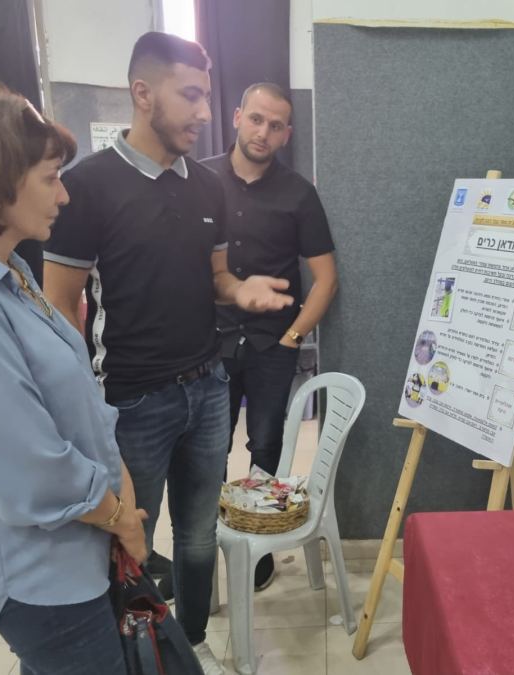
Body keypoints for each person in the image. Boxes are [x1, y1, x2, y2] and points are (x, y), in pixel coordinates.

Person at [43, 34, 291, 675]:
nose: (204, 112)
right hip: (130, 402)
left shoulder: (207, 187)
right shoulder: (86, 187)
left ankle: (192, 645)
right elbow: (58, 307)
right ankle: (128, 657)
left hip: (208, 389)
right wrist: (74, 408)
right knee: (126, 539)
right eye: (190, 95)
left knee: (199, 533)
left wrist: (242, 290)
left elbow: (218, 278)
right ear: (143, 93)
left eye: (206, 96)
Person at [0, 81, 148, 673]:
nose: (64, 195)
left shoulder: (8, 272)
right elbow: (27, 464)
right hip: (42, 574)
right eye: (51, 178)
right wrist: (120, 519)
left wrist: (119, 487)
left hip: (77, 546)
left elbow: (75, 402)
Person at [200, 82, 337, 590]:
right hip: (206, 342)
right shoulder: (199, 180)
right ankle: (203, 546)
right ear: (237, 116)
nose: (263, 132)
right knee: (206, 449)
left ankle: (256, 547)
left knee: (266, 445)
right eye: (256, 119)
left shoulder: (299, 194)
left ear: (286, 135)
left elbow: (326, 278)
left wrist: (293, 338)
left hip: (271, 345)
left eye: (275, 125)